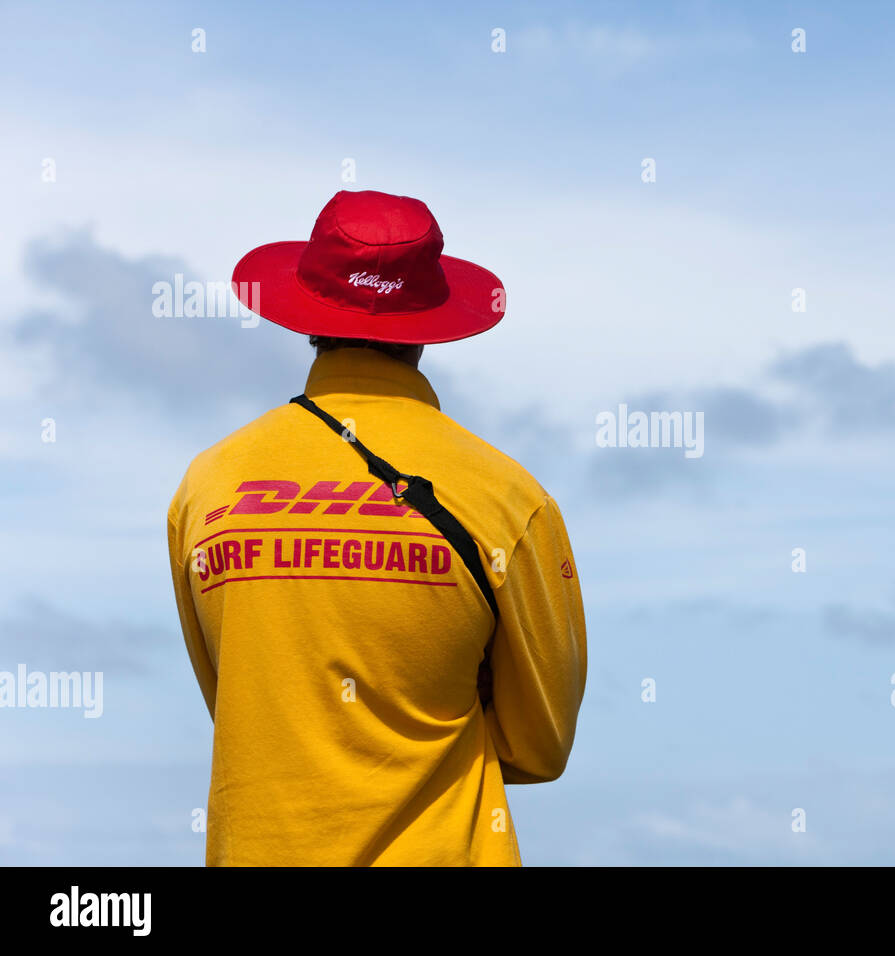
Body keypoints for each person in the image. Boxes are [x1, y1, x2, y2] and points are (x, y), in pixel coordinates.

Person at [166, 189, 586, 866]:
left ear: (307, 311)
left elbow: (242, 703)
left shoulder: (207, 485)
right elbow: (539, 747)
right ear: (427, 322)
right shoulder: (509, 497)